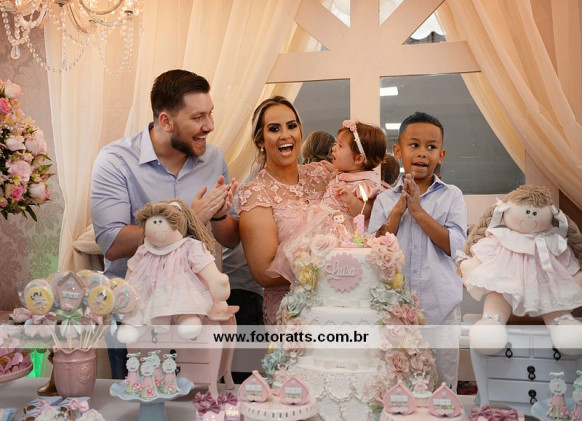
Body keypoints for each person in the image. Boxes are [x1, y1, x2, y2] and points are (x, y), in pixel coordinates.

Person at [90, 69, 239, 377]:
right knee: (141, 397)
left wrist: (219, 214)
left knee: (199, 398)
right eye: (198, 117)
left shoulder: (214, 159)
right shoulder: (115, 160)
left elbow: (230, 238)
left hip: (198, 314)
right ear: (166, 121)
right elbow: (112, 243)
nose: (209, 125)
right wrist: (188, 220)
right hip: (137, 315)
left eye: (210, 113)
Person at [368, 111, 467, 392]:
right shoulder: (385, 200)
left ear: (441, 155)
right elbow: (374, 250)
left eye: (431, 147)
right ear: (398, 151)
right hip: (395, 315)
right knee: (398, 388)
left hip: (441, 311)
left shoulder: (452, 196)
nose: (422, 152)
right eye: (414, 145)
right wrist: (399, 210)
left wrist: (419, 212)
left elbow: (455, 246)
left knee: (442, 389)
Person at [237, 96, 332, 326]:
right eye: (274, 129)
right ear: (260, 140)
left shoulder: (322, 175)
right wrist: (330, 266)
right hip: (291, 313)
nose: (285, 135)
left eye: (291, 126)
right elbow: (265, 272)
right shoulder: (256, 193)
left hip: (336, 303)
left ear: (300, 132)